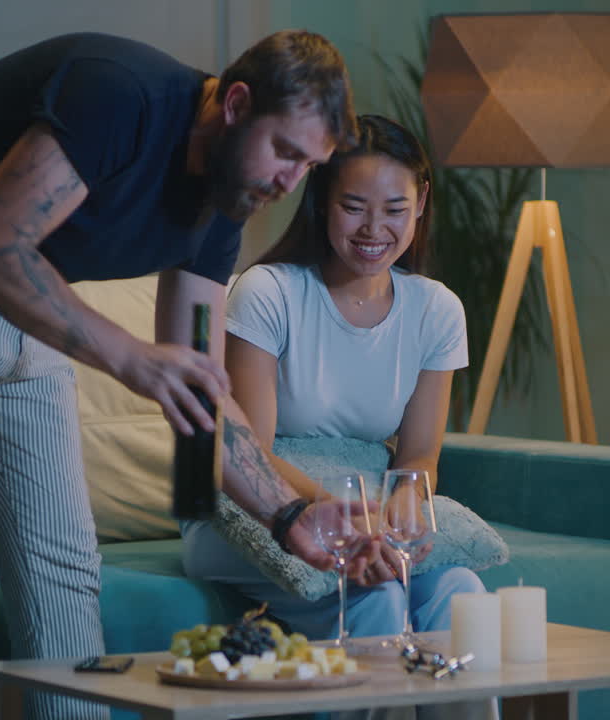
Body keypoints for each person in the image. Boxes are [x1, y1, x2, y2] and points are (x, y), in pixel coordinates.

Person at [0, 30, 373, 720]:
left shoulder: (228, 201)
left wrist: (287, 515)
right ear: (235, 103)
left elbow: (200, 396)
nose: (290, 182)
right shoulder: (118, 94)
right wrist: (131, 357)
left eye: (309, 166)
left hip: (26, 297)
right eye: (286, 151)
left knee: (63, 575)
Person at [182, 114, 487, 648]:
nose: (374, 230)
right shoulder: (268, 292)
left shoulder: (436, 310)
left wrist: (399, 506)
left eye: (394, 209)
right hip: (254, 506)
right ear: (321, 200)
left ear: (420, 202)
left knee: (461, 593)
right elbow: (247, 452)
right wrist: (345, 513)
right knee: (374, 597)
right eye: (353, 208)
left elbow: (418, 457)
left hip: (363, 507)